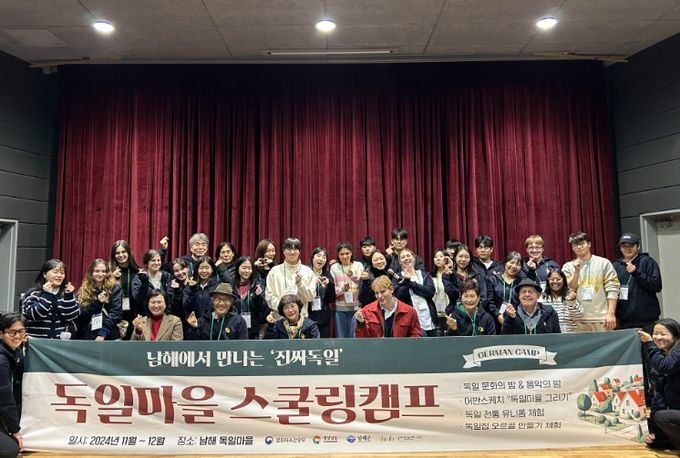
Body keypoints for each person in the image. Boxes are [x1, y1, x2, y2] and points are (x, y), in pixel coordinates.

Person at [562, 231, 620, 331]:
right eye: (575, 245)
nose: (579, 247)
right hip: (577, 320)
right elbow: (568, 290)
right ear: (572, 248)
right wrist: (576, 271)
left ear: (589, 244)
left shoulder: (603, 263)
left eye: (582, 243)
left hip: (602, 318)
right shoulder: (568, 267)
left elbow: (613, 289)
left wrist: (611, 313)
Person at [639, 319, 680, 451]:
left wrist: (649, 343)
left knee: (662, 417)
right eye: (655, 333)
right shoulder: (660, 355)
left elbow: (665, 367)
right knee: (654, 440)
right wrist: (653, 431)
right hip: (674, 412)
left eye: (663, 334)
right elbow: (658, 399)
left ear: (675, 335)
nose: (657, 337)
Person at [614, 232, 662, 332]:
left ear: (638, 246)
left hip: (647, 320)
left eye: (631, 246)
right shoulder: (616, 265)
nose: (627, 249)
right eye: (624, 246)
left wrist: (636, 273)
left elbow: (657, 286)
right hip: (625, 320)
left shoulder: (647, 261)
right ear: (620, 248)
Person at [21, 259, 80, 339]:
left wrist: (68, 296)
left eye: (62, 273)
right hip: (36, 341)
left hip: (59, 342)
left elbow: (72, 316)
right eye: (55, 272)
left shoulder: (66, 294)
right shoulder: (33, 293)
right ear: (44, 274)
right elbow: (36, 315)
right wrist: (47, 294)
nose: (59, 275)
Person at [354, 275, 421, 338]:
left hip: (401, 347)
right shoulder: (366, 311)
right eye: (377, 293)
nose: (379, 296)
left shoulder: (410, 312)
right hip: (377, 347)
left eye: (382, 292)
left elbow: (416, 338)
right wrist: (361, 324)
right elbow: (363, 341)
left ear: (391, 289)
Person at [265, 238, 316, 319]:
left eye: (295, 249)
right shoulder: (274, 271)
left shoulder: (307, 271)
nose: (292, 252)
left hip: (301, 318)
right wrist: (284, 308)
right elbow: (269, 296)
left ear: (299, 252)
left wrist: (300, 284)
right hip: (280, 318)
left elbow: (310, 297)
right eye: (289, 249)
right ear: (283, 251)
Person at [393, 248, 438, 336]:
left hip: (429, 318)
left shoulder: (424, 274)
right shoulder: (397, 277)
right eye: (403, 257)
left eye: (408, 256)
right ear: (400, 262)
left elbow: (430, 292)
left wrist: (411, 284)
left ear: (414, 258)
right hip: (411, 320)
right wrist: (406, 281)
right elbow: (400, 297)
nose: (406, 258)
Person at [77, 259, 123, 341]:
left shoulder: (115, 287)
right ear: (91, 272)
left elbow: (116, 313)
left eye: (103, 271)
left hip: (109, 335)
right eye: (97, 271)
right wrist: (97, 303)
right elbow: (82, 316)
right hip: (88, 336)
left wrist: (103, 332)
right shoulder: (84, 289)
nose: (100, 274)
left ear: (107, 273)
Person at [0, 313, 25, 457]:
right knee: (11, 450)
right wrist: (15, 430)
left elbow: (22, 375)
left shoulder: (13, 352)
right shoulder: (1, 361)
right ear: (1, 334)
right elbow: (5, 399)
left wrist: (25, 349)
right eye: (12, 332)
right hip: (2, 403)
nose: (17, 336)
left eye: (21, 331)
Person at [330, 241, 364, 338]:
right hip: (340, 308)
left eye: (347, 253)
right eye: (342, 254)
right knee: (341, 338)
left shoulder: (358, 265)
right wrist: (343, 289)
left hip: (356, 307)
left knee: (355, 337)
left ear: (351, 253)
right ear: (338, 255)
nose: (345, 256)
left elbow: (361, 283)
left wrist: (351, 276)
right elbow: (332, 290)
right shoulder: (334, 267)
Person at [231, 256, 269, 339]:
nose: (247, 271)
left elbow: (264, 313)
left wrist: (259, 297)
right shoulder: (231, 287)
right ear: (237, 268)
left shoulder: (257, 286)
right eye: (244, 268)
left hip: (253, 332)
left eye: (249, 268)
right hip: (233, 330)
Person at [487, 252, 525, 330]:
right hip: (494, 321)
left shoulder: (522, 282)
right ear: (505, 263)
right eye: (511, 262)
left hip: (516, 321)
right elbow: (489, 301)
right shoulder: (493, 279)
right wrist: (498, 315)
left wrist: (513, 315)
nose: (514, 266)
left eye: (518, 264)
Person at [109, 240, 141, 333]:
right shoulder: (109, 272)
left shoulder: (138, 272)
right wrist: (112, 279)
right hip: (115, 315)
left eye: (123, 252)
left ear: (129, 253)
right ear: (113, 255)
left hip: (134, 315)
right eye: (117, 253)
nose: (121, 255)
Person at [540, 269, 583, 333]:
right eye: (552, 279)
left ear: (564, 280)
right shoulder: (542, 299)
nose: (555, 282)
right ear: (548, 280)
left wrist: (572, 301)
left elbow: (578, 317)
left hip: (569, 335)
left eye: (558, 279)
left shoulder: (570, 296)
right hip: (549, 335)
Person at [309, 247, 335, 338]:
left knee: (323, 342)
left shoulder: (327, 275)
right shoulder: (306, 272)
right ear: (312, 257)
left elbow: (331, 299)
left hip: (323, 317)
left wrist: (329, 284)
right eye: (318, 256)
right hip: (307, 316)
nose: (321, 259)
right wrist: (313, 283)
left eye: (324, 257)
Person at [430, 249, 460, 329]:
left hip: (450, 311)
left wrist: (449, 269)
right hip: (434, 311)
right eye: (436, 257)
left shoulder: (452, 275)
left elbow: (455, 292)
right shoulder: (430, 276)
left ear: (447, 259)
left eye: (441, 256)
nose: (438, 259)